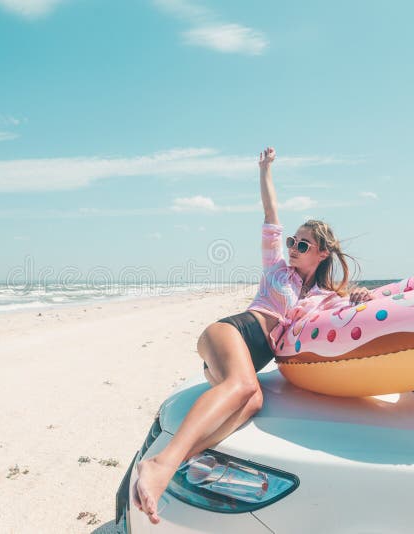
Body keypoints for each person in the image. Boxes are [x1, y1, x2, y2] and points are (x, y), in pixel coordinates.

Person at [132, 146, 373, 524]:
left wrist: (359, 295)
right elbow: (270, 213)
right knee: (244, 387)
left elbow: (353, 316)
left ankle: (175, 459)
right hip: (233, 332)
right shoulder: (276, 268)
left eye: (303, 245)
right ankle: (159, 465)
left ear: (323, 254)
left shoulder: (327, 299)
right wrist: (265, 170)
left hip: (247, 357)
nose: (293, 248)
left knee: (252, 401)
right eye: (293, 241)